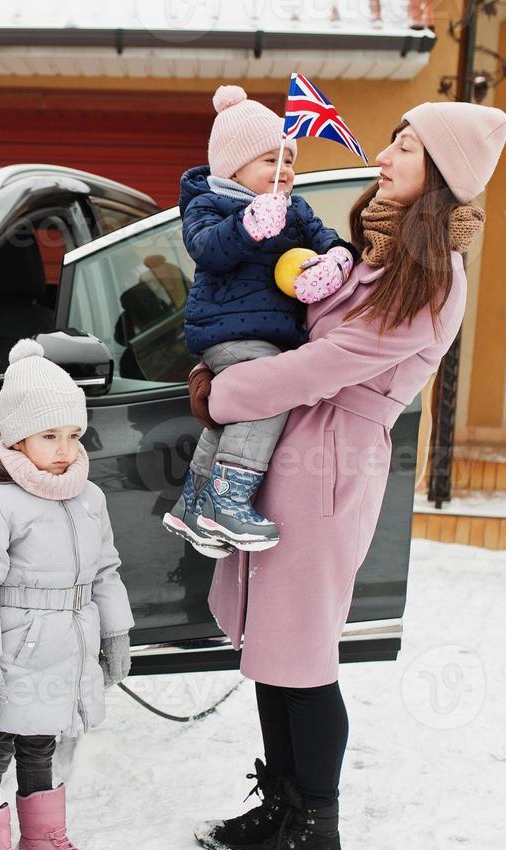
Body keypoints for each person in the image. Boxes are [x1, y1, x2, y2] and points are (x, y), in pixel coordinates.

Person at [189, 102, 506, 850]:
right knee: (267, 640)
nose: (390, 153)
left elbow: (321, 365)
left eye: (408, 145)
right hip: (289, 443)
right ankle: (280, 800)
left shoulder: (430, 277)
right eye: (395, 139)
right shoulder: (374, 252)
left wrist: (224, 392)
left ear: (440, 174)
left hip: (327, 459)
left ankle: (316, 829)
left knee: (300, 648)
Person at [0, 339, 135, 850]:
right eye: (48, 435)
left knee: (43, 742)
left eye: (72, 435)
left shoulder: (89, 498)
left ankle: (42, 837)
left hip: (66, 643)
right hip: (12, 647)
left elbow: (105, 570)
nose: (63, 448)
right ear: (16, 437)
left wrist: (115, 631)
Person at [164, 84, 360, 557]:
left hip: (273, 335)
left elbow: (330, 239)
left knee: (229, 416)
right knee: (267, 398)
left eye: (289, 160)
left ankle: (194, 502)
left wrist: (335, 261)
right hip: (230, 332)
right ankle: (229, 500)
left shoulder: (295, 209)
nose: (284, 171)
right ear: (234, 168)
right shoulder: (209, 204)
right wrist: (248, 225)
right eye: (270, 160)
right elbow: (207, 249)